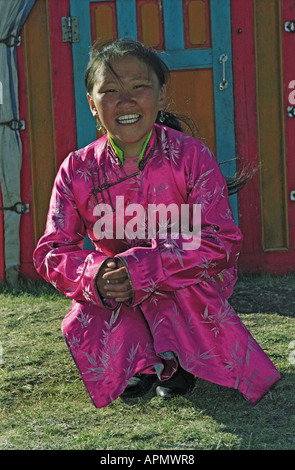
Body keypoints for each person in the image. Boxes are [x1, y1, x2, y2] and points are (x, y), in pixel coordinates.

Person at [33, 39, 280, 408]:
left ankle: (176, 361)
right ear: (92, 105)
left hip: (191, 279)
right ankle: (140, 363)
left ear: (161, 97)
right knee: (90, 303)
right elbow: (52, 251)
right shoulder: (77, 170)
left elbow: (221, 240)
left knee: (177, 288)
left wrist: (145, 266)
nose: (126, 101)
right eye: (111, 91)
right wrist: (98, 273)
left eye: (139, 87)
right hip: (119, 286)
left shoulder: (191, 157)